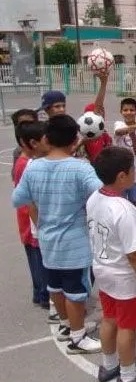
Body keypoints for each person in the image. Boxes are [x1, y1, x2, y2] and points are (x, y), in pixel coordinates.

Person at [12, 114, 103, 354]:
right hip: (74, 241)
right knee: (76, 291)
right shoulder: (80, 168)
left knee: (55, 286)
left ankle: (66, 325)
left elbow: (18, 198)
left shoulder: (33, 167)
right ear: (75, 139)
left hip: (47, 238)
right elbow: (101, 195)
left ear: (47, 137)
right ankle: (78, 336)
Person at [87, 147, 136, 382]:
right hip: (124, 277)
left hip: (104, 270)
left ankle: (109, 365)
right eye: (131, 171)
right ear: (121, 176)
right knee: (127, 325)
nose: (133, 174)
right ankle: (128, 375)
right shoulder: (125, 211)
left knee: (110, 319)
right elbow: (134, 254)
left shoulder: (94, 198)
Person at [13, 121, 50, 312]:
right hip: (34, 223)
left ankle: (40, 293)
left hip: (32, 222)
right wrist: (41, 226)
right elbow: (30, 200)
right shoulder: (28, 165)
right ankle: (45, 295)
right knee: (40, 260)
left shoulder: (26, 161)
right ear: (33, 143)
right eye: (46, 138)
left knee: (37, 259)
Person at [113, 98, 136, 208]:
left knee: (134, 203)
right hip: (120, 172)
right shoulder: (118, 124)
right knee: (121, 202)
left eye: (131, 110)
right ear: (121, 111)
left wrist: (133, 135)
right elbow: (119, 132)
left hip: (135, 174)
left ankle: (134, 224)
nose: (128, 113)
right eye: (125, 110)